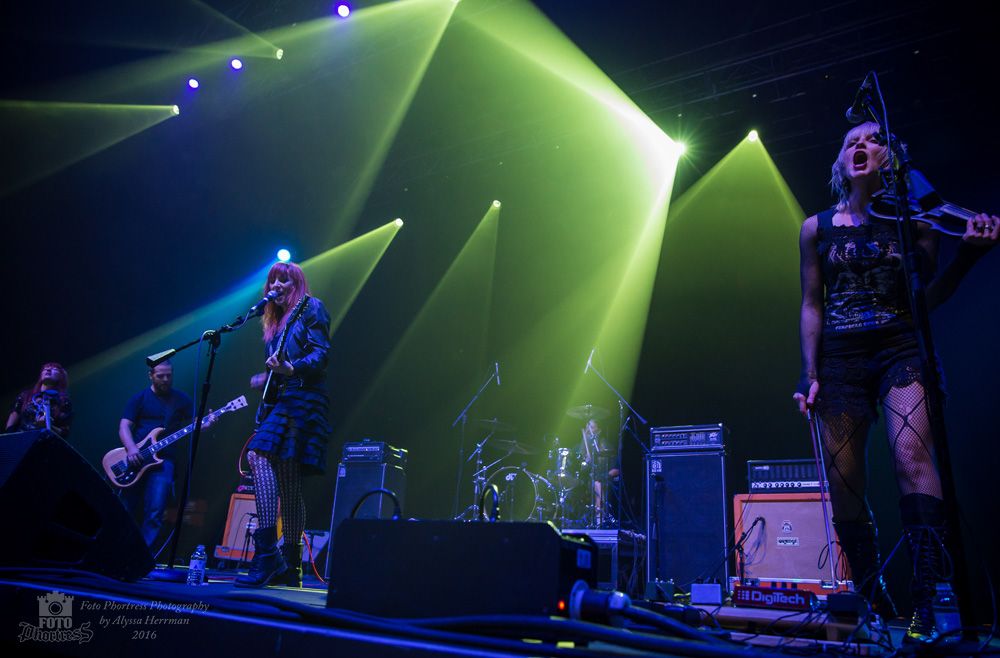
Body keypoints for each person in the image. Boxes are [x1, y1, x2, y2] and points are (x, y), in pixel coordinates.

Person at [793, 121, 998, 643]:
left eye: (872, 139)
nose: (860, 146)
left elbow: (924, 301)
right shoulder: (817, 227)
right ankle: (870, 594)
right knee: (842, 483)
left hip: (901, 347)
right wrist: (809, 372)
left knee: (912, 455)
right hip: (839, 357)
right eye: (849, 142)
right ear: (840, 163)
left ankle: (930, 599)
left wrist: (969, 257)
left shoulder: (919, 222)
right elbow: (812, 304)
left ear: (892, 155)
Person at [237, 261, 331, 588]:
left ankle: (266, 554)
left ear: (297, 285)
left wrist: (291, 369)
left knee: (258, 455)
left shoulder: (311, 307)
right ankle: (292, 565)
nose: (277, 286)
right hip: (284, 399)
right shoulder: (274, 324)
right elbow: (280, 369)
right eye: (273, 281)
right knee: (289, 483)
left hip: (305, 398)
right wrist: (269, 377)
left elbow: (321, 354)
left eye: (284, 281)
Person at [119, 360, 212, 547]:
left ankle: (142, 557)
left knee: (155, 511)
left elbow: (198, 423)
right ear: (151, 375)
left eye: (169, 375)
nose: (165, 379)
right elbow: (124, 426)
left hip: (164, 461)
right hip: (135, 460)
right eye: (160, 375)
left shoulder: (181, 399)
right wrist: (132, 449)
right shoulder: (139, 398)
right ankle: (117, 548)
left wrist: (208, 424)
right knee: (123, 508)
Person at [6, 363, 73, 438]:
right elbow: (11, 425)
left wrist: (48, 426)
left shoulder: (63, 400)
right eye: (45, 368)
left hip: (45, 443)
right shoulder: (25, 396)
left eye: (54, 369)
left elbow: (64, 433)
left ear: (61, 376)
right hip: (21, 441)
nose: (48, 369)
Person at [578, 419, 620, 528]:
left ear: (599, 430)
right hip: (582, 483)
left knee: (597, 484)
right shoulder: (579, 449)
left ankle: (599, 521)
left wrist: (601, 478)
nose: (588, 430)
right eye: (587, 427)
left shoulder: (607, 448)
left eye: (592, 428)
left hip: (602, 483)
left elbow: (615, 470)